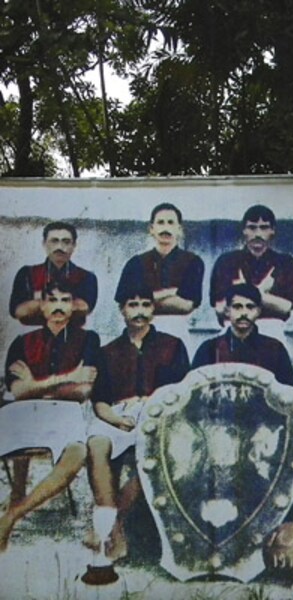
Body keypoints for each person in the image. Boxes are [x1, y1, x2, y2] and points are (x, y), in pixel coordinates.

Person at [86, 285, 190, 560]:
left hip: (160, 414)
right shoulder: (107, 351)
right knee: (97, 444)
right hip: (118, 414)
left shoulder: (173, 346)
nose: (140, 311)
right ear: (122, 310)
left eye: (146, 304)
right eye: (133, 305)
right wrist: (118, 421)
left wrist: (155, 415)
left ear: (154, 310)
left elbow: (182, 393)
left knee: (157, 454)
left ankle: (112, 523)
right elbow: (100, 402)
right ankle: (114, 527)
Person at [0, 280, 101, 551]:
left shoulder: (88, 339)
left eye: (65, 300)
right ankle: (15, 497)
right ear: (42, 306)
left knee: (78, 452)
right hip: (22, 413)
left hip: (64, 413)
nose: (58, 306)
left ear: (73, 307)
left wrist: (36, 384)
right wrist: (66, 378)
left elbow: (83, 390)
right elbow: (17, 391)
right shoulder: (22, 343)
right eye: (52, 300)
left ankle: (12, 514)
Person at [114, 203, 204, 344]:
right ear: (151, 229)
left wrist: (144, 301)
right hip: (138, 330)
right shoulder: (136, 263)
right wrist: (170, 293)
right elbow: (124, 302)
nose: (165, 228)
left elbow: (187, 305)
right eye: (160, 222)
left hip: (176, 329)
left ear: (179, 229)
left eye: (170, 223)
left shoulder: (192, 262)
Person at [209, 205, 293, 340]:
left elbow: (286, 307)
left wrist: (243, 292)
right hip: (233, 330)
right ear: (244, 230)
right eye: (252, 227)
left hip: (271, 330)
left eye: (264, 228)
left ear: (272, 231)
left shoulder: (284, 263)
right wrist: (262, 294)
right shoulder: (226, 262)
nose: (257, 234)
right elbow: (219, 308)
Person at [193, 283, 293, 388]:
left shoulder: (275, 349)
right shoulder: (209, 349)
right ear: (227, 311)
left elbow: (289, 393)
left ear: (258, 311)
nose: (244, 313)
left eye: (250, 307)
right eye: (237, 307)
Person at [9, 221, 98, 326]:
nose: (60, 247)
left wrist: (38, 299)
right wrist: (68, 302)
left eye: (66, 241)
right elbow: (17, 311)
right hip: (33, 337)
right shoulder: (26, 273)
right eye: (54, 241)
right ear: (44, 244)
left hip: (73, 337)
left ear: (74, 245)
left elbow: (84, 308)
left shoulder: (87, 277)